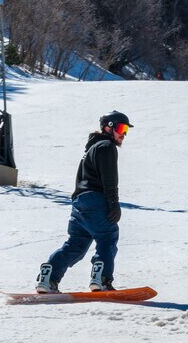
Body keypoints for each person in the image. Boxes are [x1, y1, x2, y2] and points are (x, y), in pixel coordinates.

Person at [35, 110, 134, 293]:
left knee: (76, 245)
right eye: (121, 128)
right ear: (108, 128)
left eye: (127, 129)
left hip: (79, 204)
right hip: (96, 200)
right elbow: (109, 178)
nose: (124, 134)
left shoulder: (91, 148)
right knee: (107, 237)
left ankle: (48, 278)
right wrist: (113, 202)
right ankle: (101, 280)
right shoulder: (106, 146)